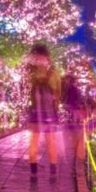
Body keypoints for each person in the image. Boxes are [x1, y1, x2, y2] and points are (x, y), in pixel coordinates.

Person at [26, 43, 61, 181]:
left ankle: (39, 172)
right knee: (44, 141)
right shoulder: (51, 72)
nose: (40, 60)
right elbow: (57, 92)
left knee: (46, 141)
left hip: (42, 111)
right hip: (44, 111)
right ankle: (44, 172)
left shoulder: (33, 72)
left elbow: (56, 91)